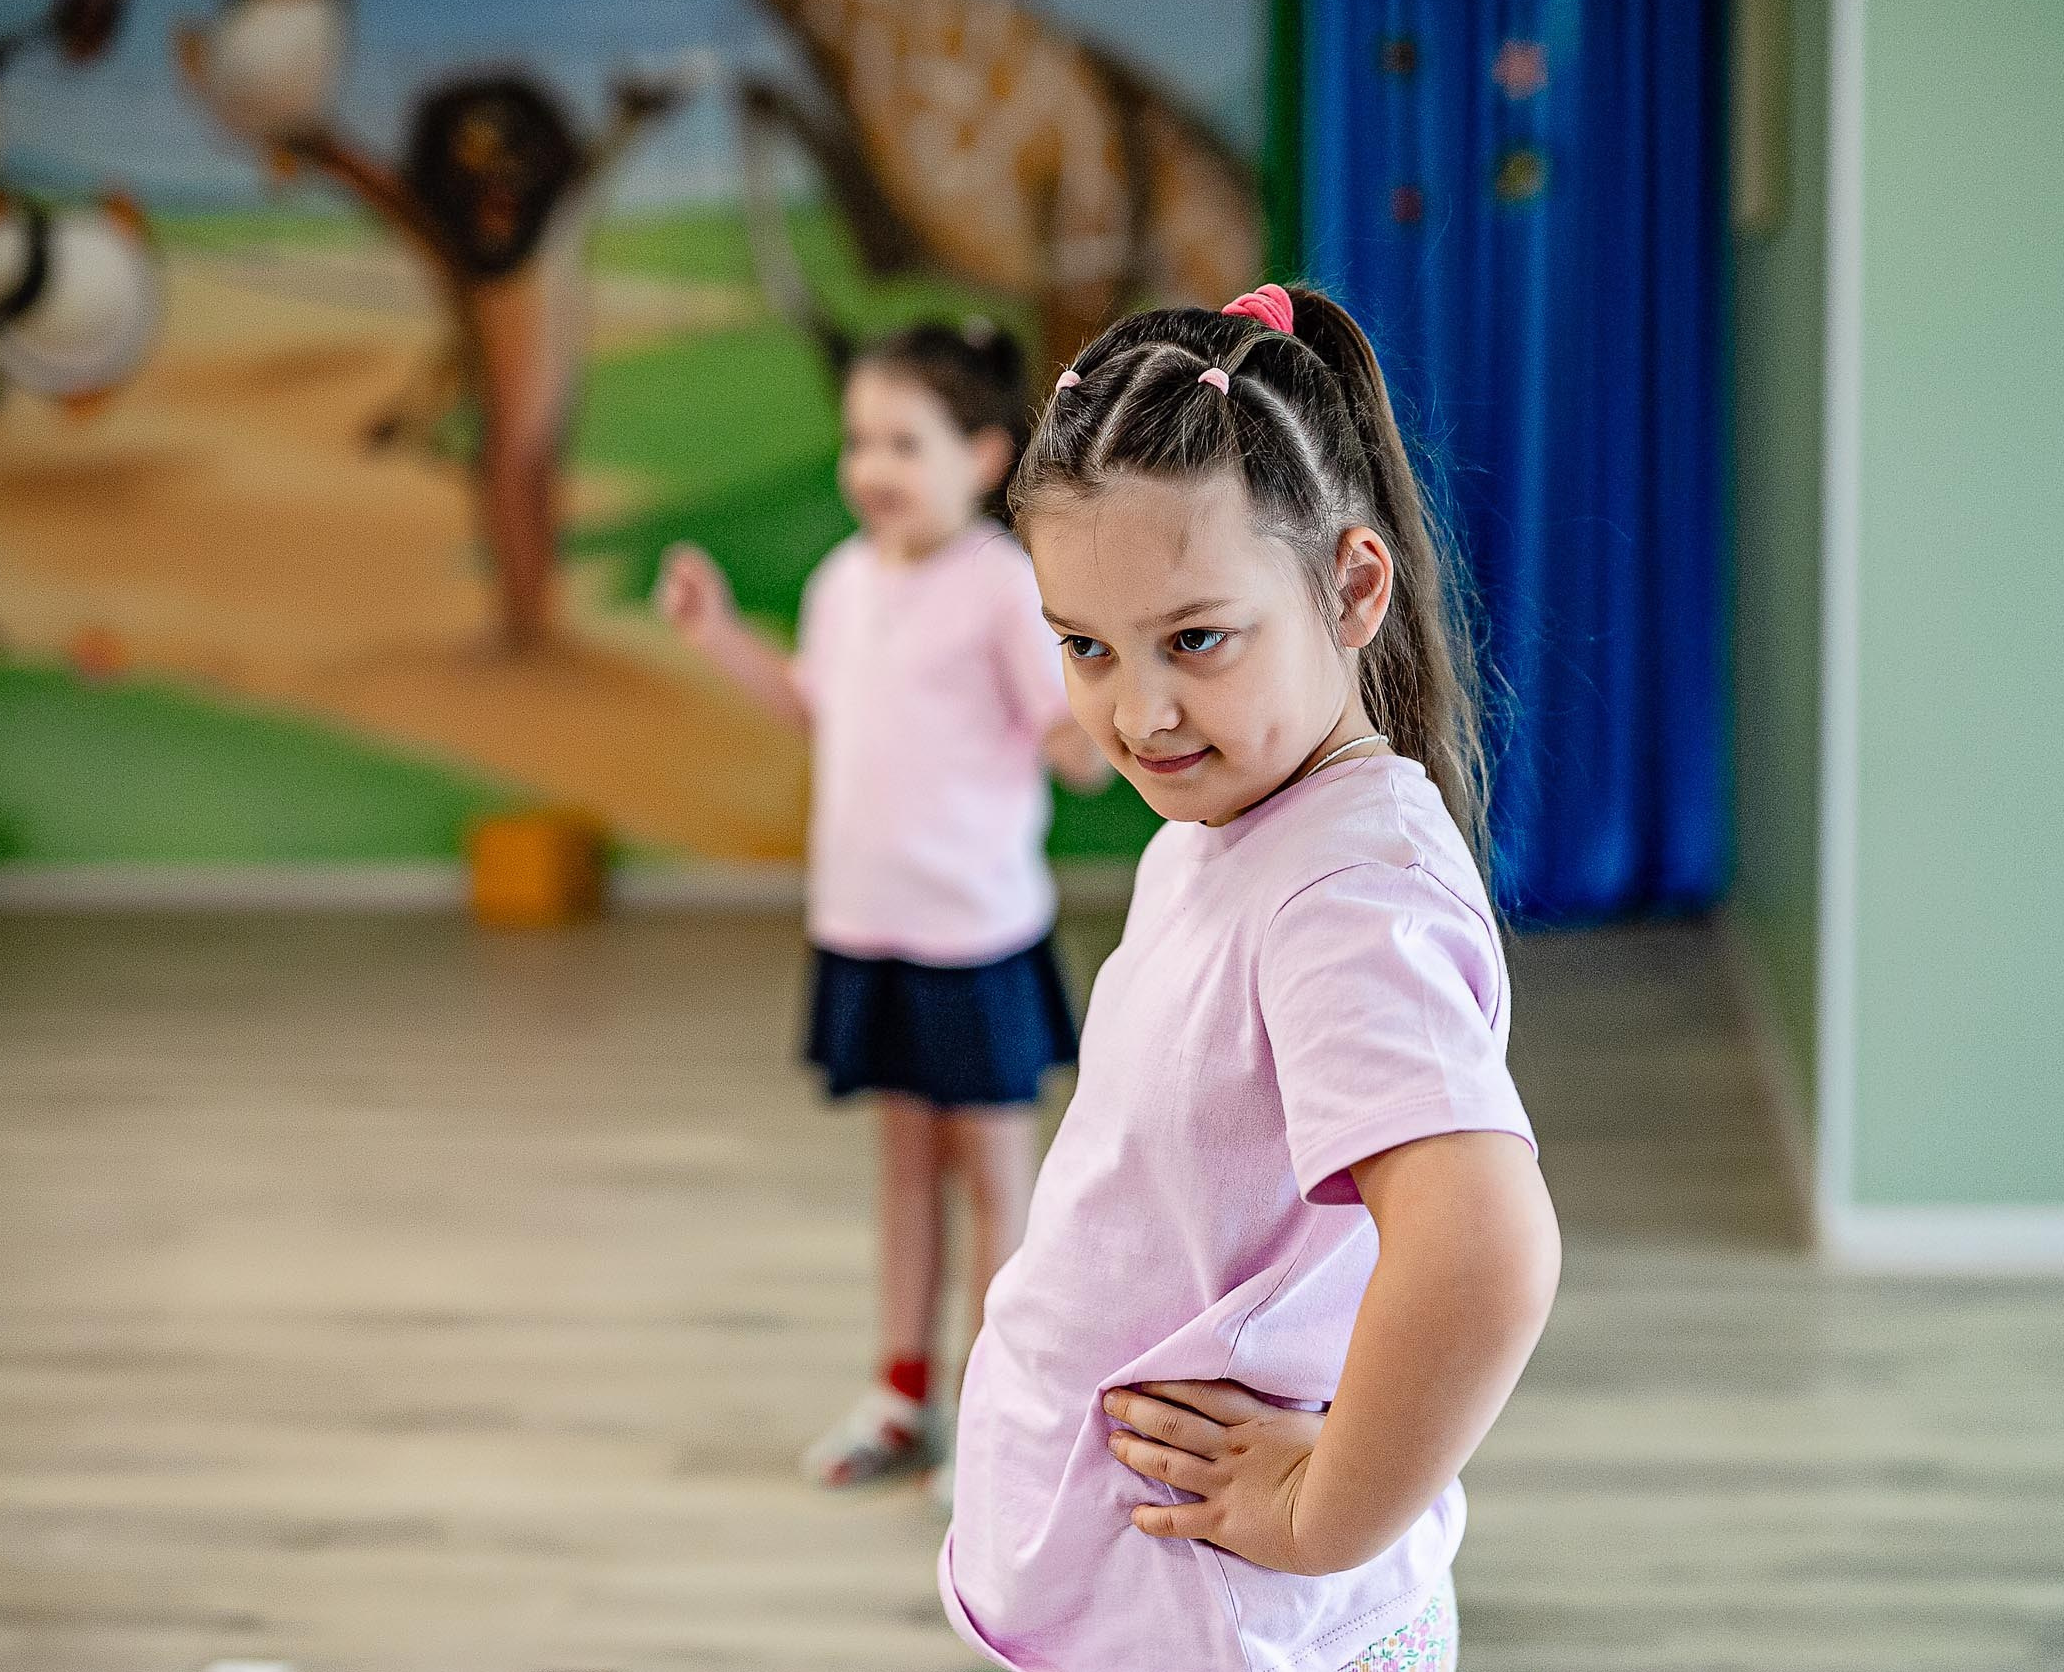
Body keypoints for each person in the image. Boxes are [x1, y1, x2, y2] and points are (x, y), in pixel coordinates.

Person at [939, 284, 1561, 1671]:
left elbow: (1483, 1253)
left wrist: (1321, 1510)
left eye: (1194, 639)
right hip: (1129, 1592)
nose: (1136, 711)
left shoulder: (1343, 896)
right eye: (1084, 645)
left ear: (1350, 586)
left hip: (1216, 1621)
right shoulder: (1235, 825)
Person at [656, 319, 1109, 1492]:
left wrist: (1109, 718)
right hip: (867, 929)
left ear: (982, 454)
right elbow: (818, 706)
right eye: (862, 439)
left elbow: (1067, 739)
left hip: (978, 935)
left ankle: (999, 1415)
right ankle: (901, 1394)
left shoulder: (1006, 588)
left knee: (993, 1179)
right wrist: (714, 637)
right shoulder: (841, 583)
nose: (874, 466)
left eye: (905, 440)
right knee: (903, 1169)